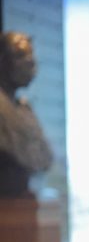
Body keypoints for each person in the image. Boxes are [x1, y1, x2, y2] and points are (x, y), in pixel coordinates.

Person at [0, 31, 53, 198]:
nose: (31, 61)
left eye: (31, 54)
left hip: (22, 202)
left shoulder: (24, 109)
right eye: (20, 55)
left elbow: (45, 157)